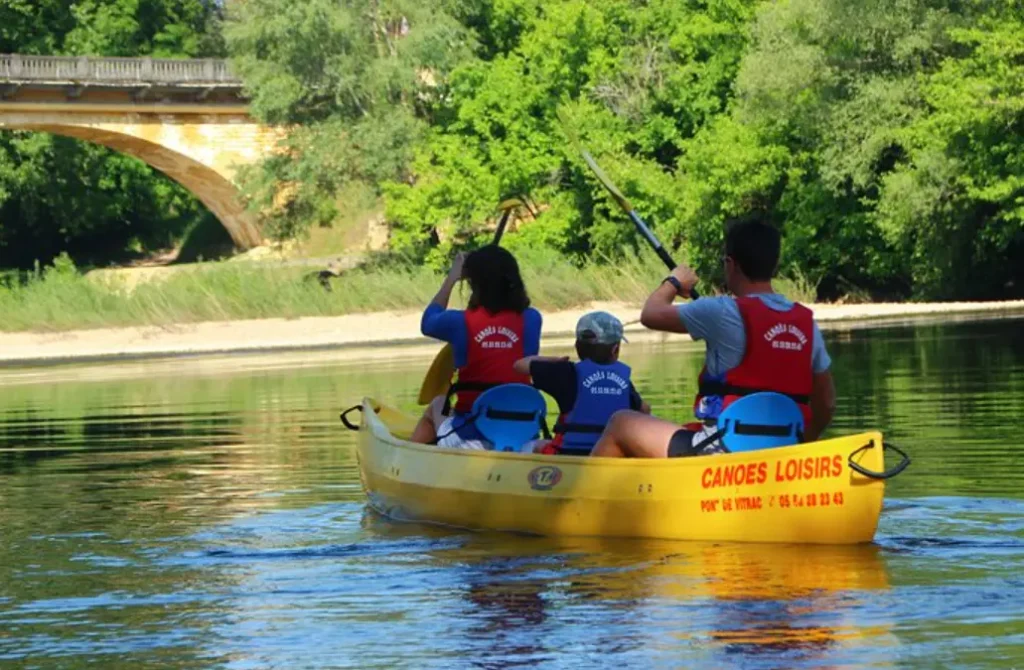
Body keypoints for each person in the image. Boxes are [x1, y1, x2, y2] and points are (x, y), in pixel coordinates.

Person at [591, 214, 836, 458]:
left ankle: (582, 495)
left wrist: (675, 281)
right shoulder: (806, 323)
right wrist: (802, 442)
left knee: (621, 423)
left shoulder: (720, 311)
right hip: (785, 450)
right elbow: (826, 404)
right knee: (686, 428)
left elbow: (651, 314)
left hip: (722, 452)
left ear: (731, 264)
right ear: (775, 264)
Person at [411, 245, 543, 449]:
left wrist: (452, 278)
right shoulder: (532, 319)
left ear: (473, 283)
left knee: (437, 404)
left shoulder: (458, 322)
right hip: (523, 436)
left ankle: (411, 462)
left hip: (472, 438)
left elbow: (428, 322)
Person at [514, 311, 649, 456]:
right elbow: (644, 409)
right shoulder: (623, 380)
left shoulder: (565, 372)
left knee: (532, 445)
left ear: (577, 346)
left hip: (569, 453)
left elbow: (520, 365)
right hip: (610, 455)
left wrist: (555, 361)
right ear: (615, 349)